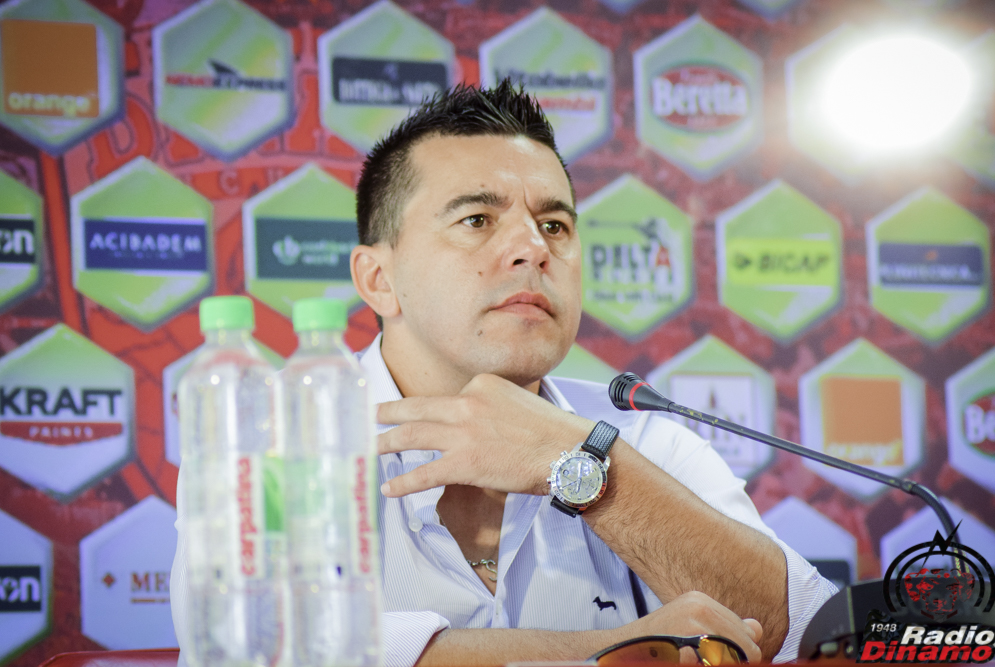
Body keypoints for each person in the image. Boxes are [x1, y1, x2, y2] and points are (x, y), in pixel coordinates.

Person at [170, 81, 837, 667]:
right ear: (378, 280)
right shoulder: (271, 439)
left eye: (555, 224)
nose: (532, 248)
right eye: (477, 219)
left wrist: (580, 463)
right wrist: (614, 650)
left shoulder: (643, 440)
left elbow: (807, 633)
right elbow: (248, 645)